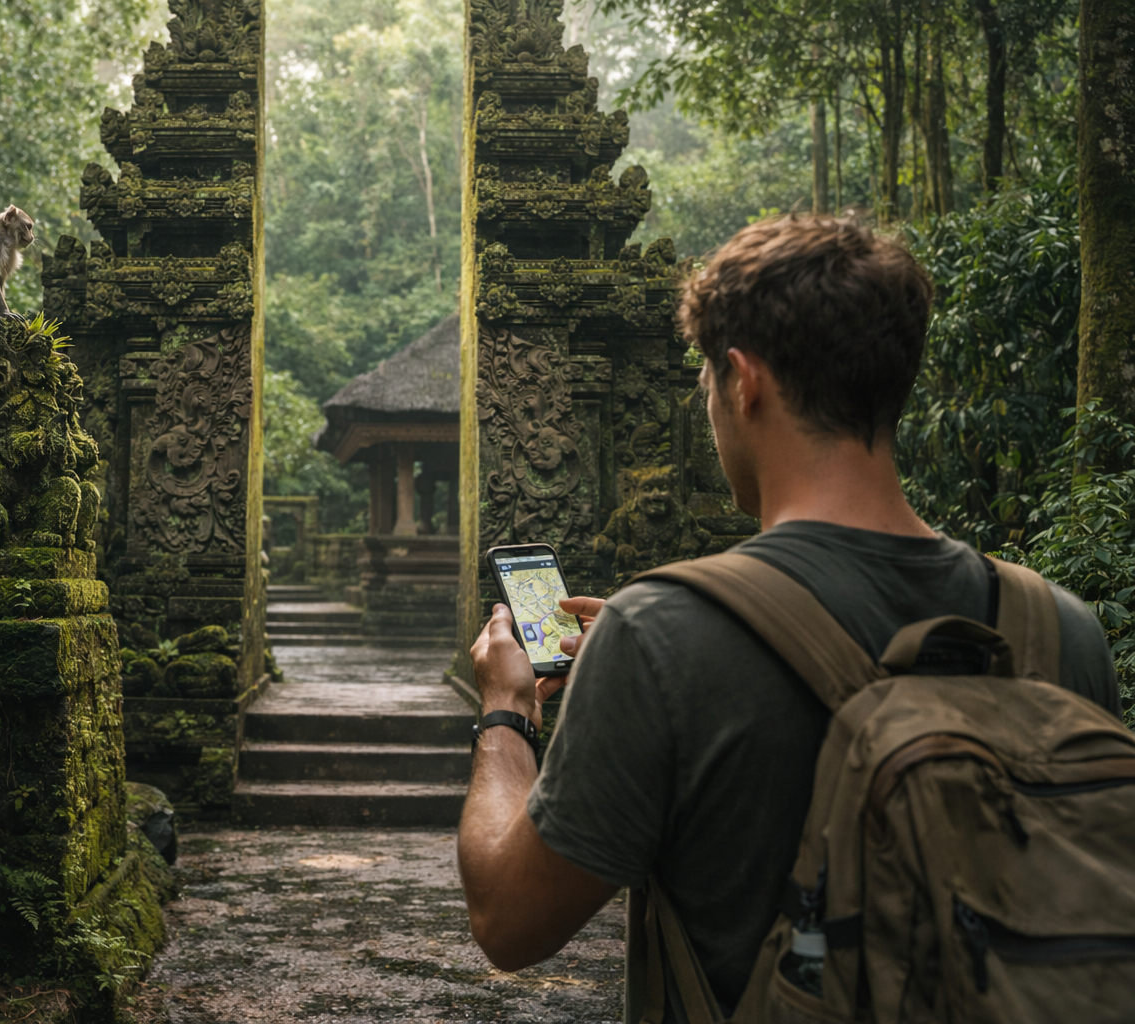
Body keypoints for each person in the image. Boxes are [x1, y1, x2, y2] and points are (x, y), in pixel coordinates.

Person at [456, 215, 1120, 1020]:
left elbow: (509, 921)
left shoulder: (656, 635)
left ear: (744, 381)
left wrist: (508, 712)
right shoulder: (1061, 628)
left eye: (705, 386)